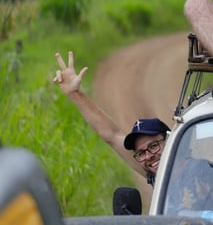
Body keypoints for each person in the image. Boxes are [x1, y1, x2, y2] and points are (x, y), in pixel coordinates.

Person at [52, 51, 170, 185]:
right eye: (141, 153)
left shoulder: (196, 169)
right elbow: (112, 135)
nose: (148, 156)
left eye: (154, 146)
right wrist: (76, 94)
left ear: (170, 140)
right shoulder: (158, 177)